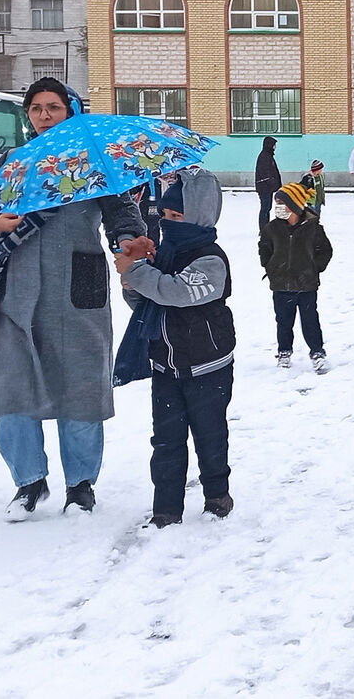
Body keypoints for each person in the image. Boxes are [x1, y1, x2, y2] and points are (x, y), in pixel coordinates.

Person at [0, 76, 149, 520]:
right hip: (16, 294)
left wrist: (130, 241)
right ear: (27, 115)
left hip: (77, 291)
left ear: (70, 111)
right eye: (36, 109)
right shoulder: (13, 162)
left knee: (81, 388)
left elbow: (123, 216)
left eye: (54, 108)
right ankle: (28, 483)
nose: (45, 116)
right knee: (14, 391)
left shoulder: (95, 162)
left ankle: (80, 485)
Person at [114, 169, 235, 529]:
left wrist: (139, 274)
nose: (169, 223)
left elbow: (177, 293)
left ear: (199, 215)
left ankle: (217, 494)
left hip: (207, 367)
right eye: (165, 216)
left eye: (177, 217)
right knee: (165, 441)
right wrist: (132, 275)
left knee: (210, 435)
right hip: (165, 366)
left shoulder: (210, 258)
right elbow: (146, 301)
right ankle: (166, 508)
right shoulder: (164, 253)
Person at [258, 182, 334, 372]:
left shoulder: (313, 228)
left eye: (281, 204)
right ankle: (284, 352)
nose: (278, 209)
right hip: (281, 285)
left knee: (310, 321)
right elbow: (264, 248)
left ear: (294, 206)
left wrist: (314, 268)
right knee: (283, 322)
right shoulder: (272, 228)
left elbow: (325, 251)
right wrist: (271, 267)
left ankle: (317, 352)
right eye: (276, 204)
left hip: (306, 285)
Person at [254, 136, 282, 230]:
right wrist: (272, 182)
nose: (275, 147)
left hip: (267, 187)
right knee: (265, 208)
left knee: (267, 208)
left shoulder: (268, 155)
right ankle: (263, 229)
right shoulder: (264, 156)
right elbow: (265, 173)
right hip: (264, 188)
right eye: (274, 145)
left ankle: (266, 227)